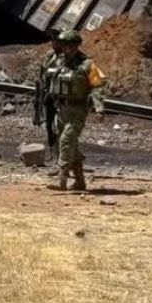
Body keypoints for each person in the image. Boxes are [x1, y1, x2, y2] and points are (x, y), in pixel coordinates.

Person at [40, 29, 106, 191]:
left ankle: (62, 179)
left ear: (77, 47)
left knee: (66, 140)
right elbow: (45, 74)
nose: (67, 49)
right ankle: (79, 181)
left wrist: (99, 108)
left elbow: (98, 86)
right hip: (61, 108)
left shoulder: (87, 64)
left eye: (71, 46)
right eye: (64, 46)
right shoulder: (57, 61)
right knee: (69, 144)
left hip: (77, 109)